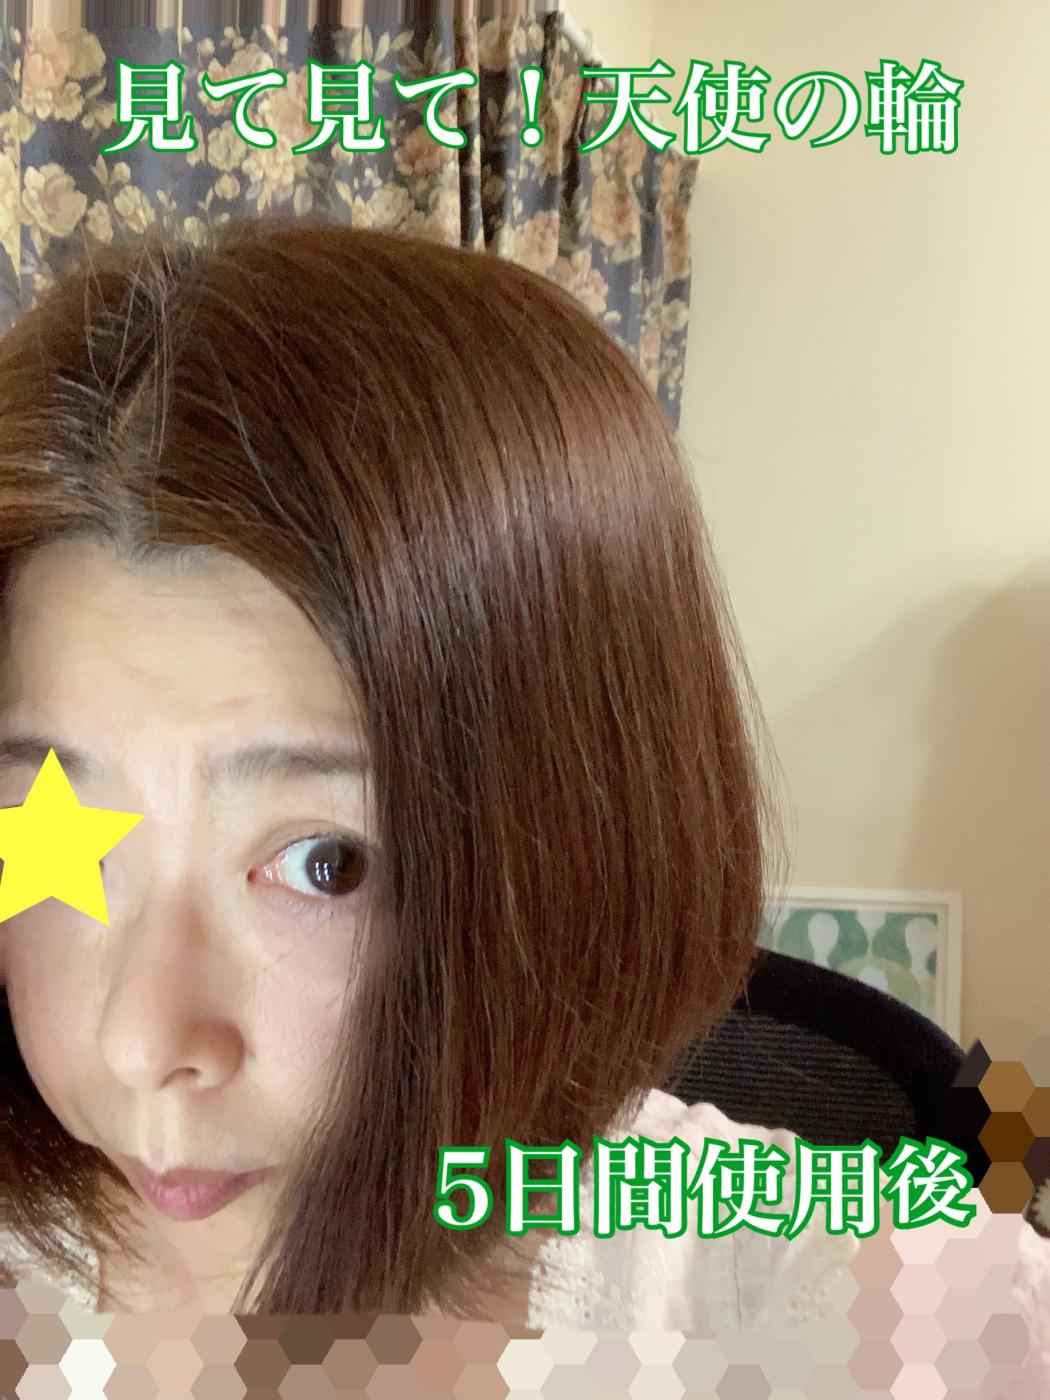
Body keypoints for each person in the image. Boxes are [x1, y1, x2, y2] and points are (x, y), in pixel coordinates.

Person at [0, 220, 1045, 1368]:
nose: (143, 1039)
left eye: (325, 862)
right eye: (50, 838)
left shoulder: (864, 1313)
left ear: (585, 842)